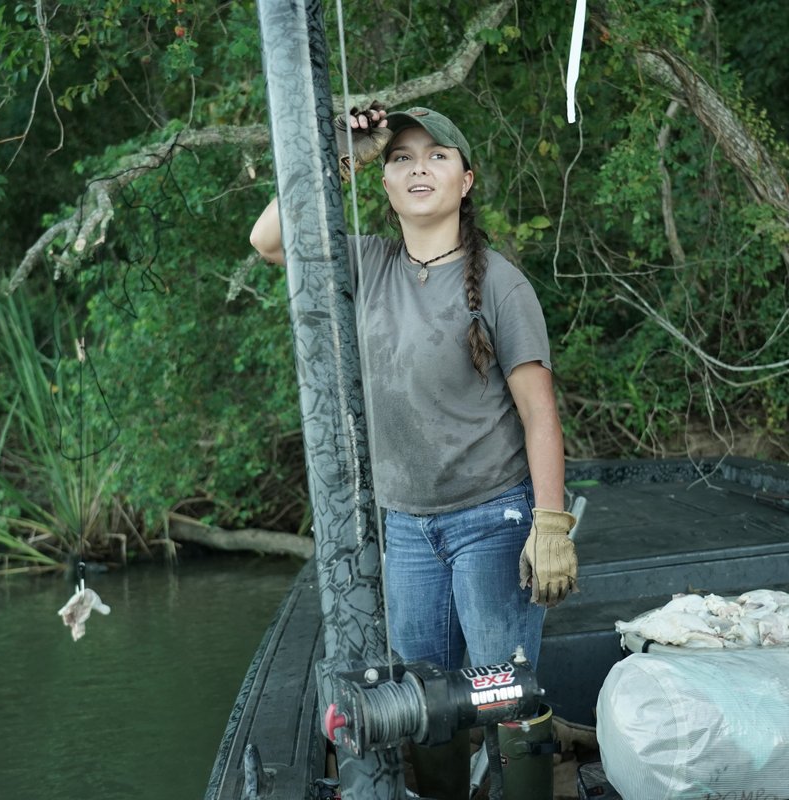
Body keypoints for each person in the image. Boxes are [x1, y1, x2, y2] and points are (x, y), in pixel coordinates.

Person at [250, 104, 577, 798]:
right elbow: (269, 241)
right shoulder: (365, 263)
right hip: (406, 526)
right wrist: (345, 151)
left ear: (466, 181)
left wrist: (552, 525)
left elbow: (539, 414)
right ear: (385, 182)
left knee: (505, 695)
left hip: (494, 519)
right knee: (423, 707)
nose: (418, 167)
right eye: (401, 157)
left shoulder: (502, 285)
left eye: (437, 156)